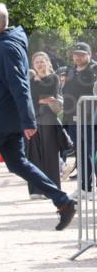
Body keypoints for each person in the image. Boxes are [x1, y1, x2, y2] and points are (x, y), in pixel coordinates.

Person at [0, 4, 76, 232]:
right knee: (17, 163)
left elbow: (20, 85)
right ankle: (63, 201)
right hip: (0, 117)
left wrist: (28, 120)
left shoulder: (6, 48)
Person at [26, 52, 66, 200]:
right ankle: (36, 190)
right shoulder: (32, 80)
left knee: (50, 154)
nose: (40, 64)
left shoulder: (54, 78)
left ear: (48, 62)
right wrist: (40, 98)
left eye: (42, 61)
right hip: (34, 119)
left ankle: (52, 189)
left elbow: (51, 96)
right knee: (34, 155)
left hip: (49, 119)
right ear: (33, 65)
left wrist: (40, 94)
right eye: (37, 62)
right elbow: (29, 99)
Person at [62, 42, 97, 199]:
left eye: (82, 54)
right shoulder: (70, 70)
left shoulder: (94, 70)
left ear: (89, 55)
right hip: (73, 118)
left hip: (91, 119)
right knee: (81, 154)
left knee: (90, 153)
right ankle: (84, 188)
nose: (78, 57)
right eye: (76, 54)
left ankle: (89, 188)